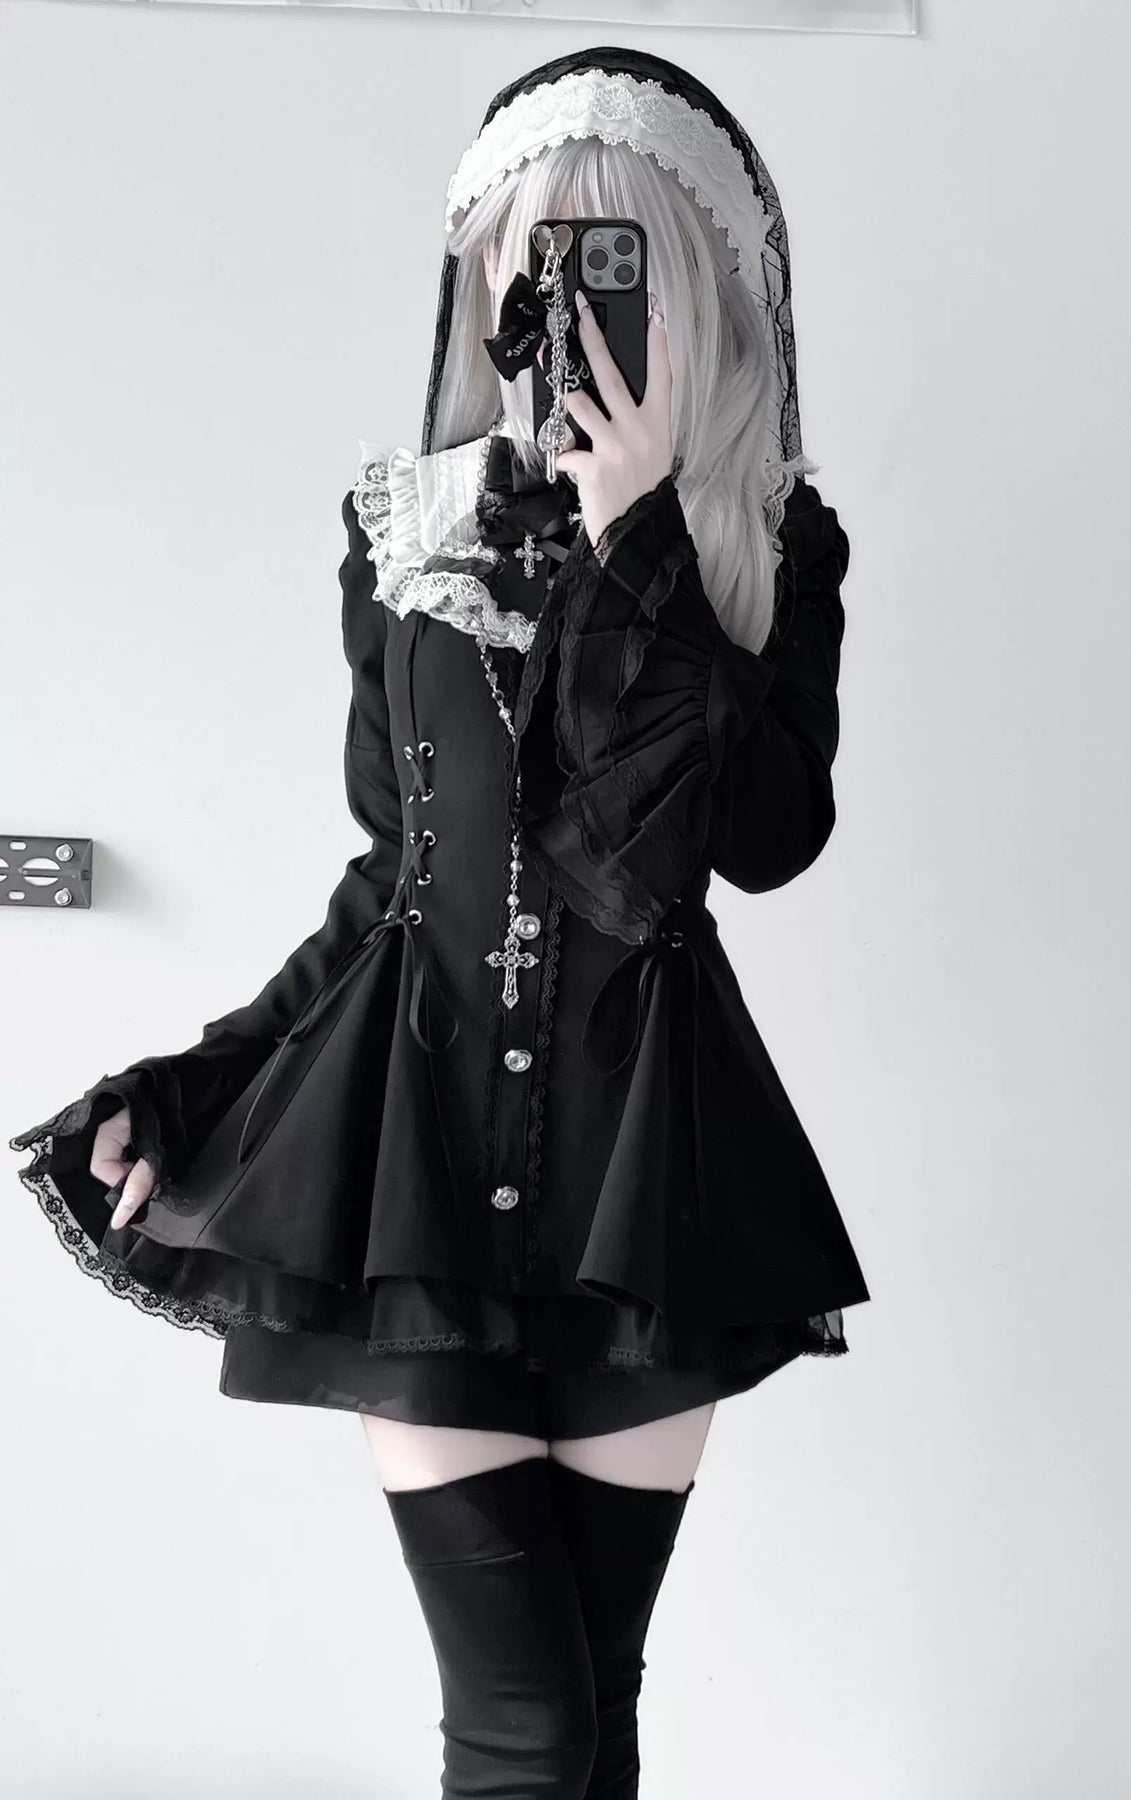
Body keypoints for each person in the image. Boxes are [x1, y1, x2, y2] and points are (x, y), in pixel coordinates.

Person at [9, 43, 870, 1798]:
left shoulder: (770, 545)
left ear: (691, 284)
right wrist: (199, 1083)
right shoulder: (403, 533)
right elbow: (393, 882)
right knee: (525, 1728)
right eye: (521, 251)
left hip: (648, 1187)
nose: (555, 294)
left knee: (592, 1712)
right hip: (419, 1172)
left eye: (609, 255)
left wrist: (639, 542)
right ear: (477, 272)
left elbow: (761, 845)